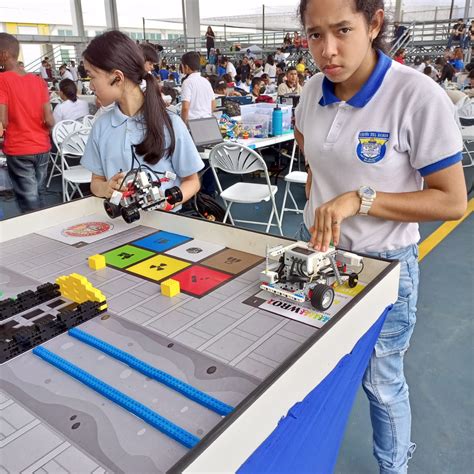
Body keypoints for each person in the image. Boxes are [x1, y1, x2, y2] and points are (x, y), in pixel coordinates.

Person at [294, 1, 467, 474]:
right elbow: (312, 161)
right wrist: (319, 209)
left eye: (343, 30)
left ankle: (394, 467)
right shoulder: (310, 93)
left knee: (381, 382)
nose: (327, 50)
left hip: (384, 268)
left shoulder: (416, 96)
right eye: (314, 35)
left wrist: (360, 199)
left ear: (374, 24)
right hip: (321, 259)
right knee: (309, 372)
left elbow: (451, 201)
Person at [80, 31, 203, 209]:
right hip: (120, 225)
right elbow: (96, 182)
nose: (90, 86)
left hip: (165, 225)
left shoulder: (170, 124)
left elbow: (192, 181)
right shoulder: (101, 126)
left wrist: (166, 203)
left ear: (117, 77)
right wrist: (106, 188)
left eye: (92, 76)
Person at [0, 33, 54, 212]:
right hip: (42, 147)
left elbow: (3, 121)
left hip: (19, 148)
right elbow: (49, 119)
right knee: (39, 193)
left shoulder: (2, 80)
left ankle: (36, 236)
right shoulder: (39, 81)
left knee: (29, 199)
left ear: (4, 54)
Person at [180, 51, 215, 124]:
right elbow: (213, 104)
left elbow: (185, 108)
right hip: (208, 121)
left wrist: (183, 125)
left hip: (193, 124)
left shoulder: (187, 82)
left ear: (186, 67)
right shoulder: (206, 81)